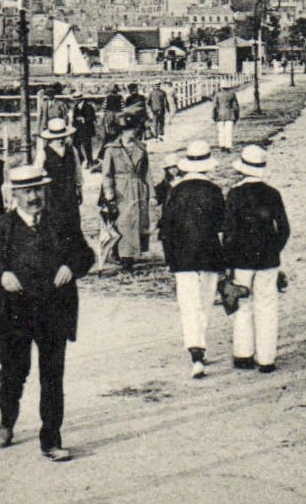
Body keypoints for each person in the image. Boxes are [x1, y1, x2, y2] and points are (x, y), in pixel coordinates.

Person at [0, 165, 96, 462]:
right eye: (27, 191)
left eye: (38, 190)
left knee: (52, 377)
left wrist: (71, 266)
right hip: (14, 313)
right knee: (14, 373)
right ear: (14, 195)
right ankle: (6, 422)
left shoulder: (62, 222)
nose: (33, 197)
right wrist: (0, 275)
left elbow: (85, 254)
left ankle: (51, 439)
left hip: (54, 311)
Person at [157, 140, 225, 378]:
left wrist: (169, 258)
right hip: (208, 254)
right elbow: (221, 226)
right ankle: (200, 348)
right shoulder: (214, 191)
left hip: (182, 256)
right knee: (204, 303)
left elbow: (166, 227)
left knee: (188, 304)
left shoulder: (175, 191)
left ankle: (195, 353)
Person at [222, 145, 290, 374]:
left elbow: (229, 232)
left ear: (242, 169)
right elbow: (284, 229)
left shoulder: (234, 194)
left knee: (243, 305)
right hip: (268, 259)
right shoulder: (272, 194)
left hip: (242, 259)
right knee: (267, 307)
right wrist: (273, 249)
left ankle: (243, 354)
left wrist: (229, 260)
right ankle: (267, 358)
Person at [99, 115, 151, 270]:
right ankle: (123, 256)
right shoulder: (111, 150)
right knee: (123, 222)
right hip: (120, 188)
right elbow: (106, 173)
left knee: (137, 221)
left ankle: (132, 253)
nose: (133, 132)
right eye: (128, 129)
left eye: (133, 128)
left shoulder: (141, 148)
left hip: (138, 187)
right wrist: (109, 191)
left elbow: (147, 172)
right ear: (121, 132)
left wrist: (152, 193)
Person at [38, 117, 82, 229]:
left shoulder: (72, 150)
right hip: (52, 194)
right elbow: (38, 174)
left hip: (69, 192)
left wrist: (79, 189)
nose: (60, 140)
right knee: (55, 224)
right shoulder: (43, 153)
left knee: (73, 224)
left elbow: (77, 171)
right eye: (57, 138)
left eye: (62, 137)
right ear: (50, 138)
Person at [71, 95, 98, 168]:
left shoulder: (88, 106)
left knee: (87, 146)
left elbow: (91, 118)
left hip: (87, 129)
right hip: (78, 129)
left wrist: (83, 119)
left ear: (80, 99)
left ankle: (90, 162)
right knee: (75, 144)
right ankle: (81, 158)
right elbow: (74, 118)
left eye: (76, 99)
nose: (75, 101)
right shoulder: (76, 107)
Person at [212, 82, 241, 152]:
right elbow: (236, 106)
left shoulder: (217, 95)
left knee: (221, 131)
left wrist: (214, 116)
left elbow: (214, 106)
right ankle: (228, 146)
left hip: (220, 115)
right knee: (228, 131)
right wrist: (237, 116)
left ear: (221, 87)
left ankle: (222, 146)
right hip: (230, 115)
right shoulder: (232, 94)